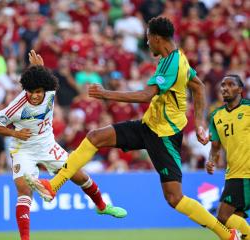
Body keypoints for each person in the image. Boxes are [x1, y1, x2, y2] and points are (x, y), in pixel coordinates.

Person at [25, 17, 241, 240]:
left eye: (148, 39)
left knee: (174, 198)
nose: (147, 43)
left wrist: (106, 94)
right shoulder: (178, 59)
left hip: (164, 137)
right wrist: (199, 123)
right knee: (95, 137)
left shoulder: (172, 64)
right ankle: (53, 186)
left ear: (157, 39)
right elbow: (198, 87)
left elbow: (146, 95)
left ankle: (226, 235)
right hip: (149, 126)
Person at [0, 50, 127, 240]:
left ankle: (102, 206)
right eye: (31, 92)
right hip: (24, 148)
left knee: (81, 177)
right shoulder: (16, 107)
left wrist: (39, 67)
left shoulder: (49, 91)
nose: (36, 96)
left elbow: (44, 77)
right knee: (24, 191)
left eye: (39, 92)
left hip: (47, 145)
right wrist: (14, 132)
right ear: (25, 89)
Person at [206, 75, 250, 239]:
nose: (225, 88)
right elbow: (215, 146)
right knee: (235, 221)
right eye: (223, 85)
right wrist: (211, 160)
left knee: (223, 217)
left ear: (240, 90)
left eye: (231, 84)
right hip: (232, 174)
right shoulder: (216, 116)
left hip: (246, 173)